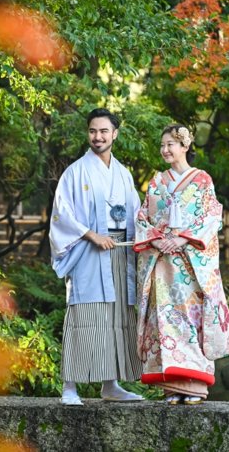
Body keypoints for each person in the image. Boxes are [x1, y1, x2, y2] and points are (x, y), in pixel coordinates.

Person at [133, 124, 229, 404]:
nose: (165, 150)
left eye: (170, 144)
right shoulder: (156, 182)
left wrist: (182, 239)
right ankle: (172, 387)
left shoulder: (202, 180)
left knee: (191, 320)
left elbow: (211, 217)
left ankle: (195, 386)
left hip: (190, 265)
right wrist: (157, 240)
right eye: (162, 145)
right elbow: (142, 217)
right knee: (165, 323)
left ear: (185, 146)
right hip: (162, 263)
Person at [49, 108, 144, 406]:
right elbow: (61, 215)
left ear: (115, 134)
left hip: (120, 251)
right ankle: (69, 387)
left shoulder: (123, 173)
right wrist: (92, 235)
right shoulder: (75, 172)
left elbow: (136, 213)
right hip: (88, 251)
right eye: (93, 131)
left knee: (117, 315)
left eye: (104, 131)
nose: (98, 136)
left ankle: (111, 385)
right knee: (84, 315)